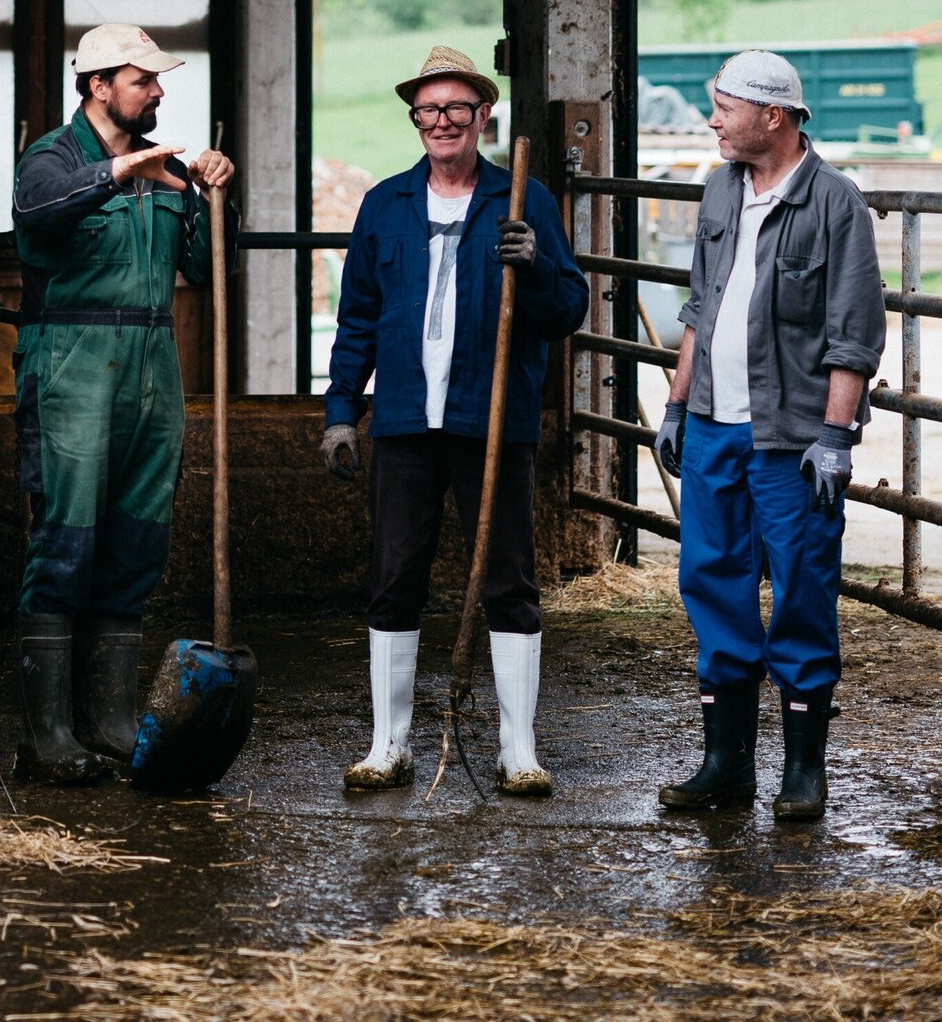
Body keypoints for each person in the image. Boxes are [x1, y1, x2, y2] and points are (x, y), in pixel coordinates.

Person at [321, 46, 589, 797]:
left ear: (483, 115)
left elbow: (568, 309)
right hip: (404, 421)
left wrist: (536, 265)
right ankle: (389, 745)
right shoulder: (386, 204)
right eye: (428, 110)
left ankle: (518, 749)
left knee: (509, 581)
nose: (441, 122)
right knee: (394, 579)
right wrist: (342, 411)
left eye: (456, 109)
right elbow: (358, 318)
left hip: (491, 422)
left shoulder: (522, 200)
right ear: (416, 119)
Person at [651, 50, 884, 821]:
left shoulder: (834, 202)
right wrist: (678, 406)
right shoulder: (721, 188)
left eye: (724, 108)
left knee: (802, 590)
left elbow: (854, 333)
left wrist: (835, 436)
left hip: (792, 439)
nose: (712, 121)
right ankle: (726, 765)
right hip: (714, 426)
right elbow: (700, 307)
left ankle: (804, 770)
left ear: (772, 116)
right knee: (711, 580)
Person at [9, 23, 236, 786]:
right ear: (99, 85)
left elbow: (206, 268)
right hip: (73, 363)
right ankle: (46, 735)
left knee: (138, 539)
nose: (158, 91)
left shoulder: (163, 170)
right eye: (144, 80)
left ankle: (108, 720)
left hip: (151, 363)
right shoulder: (52, 158)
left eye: (158, 80)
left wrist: (210, 196)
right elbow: (37, 212)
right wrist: (117, 172)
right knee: (65, 540)